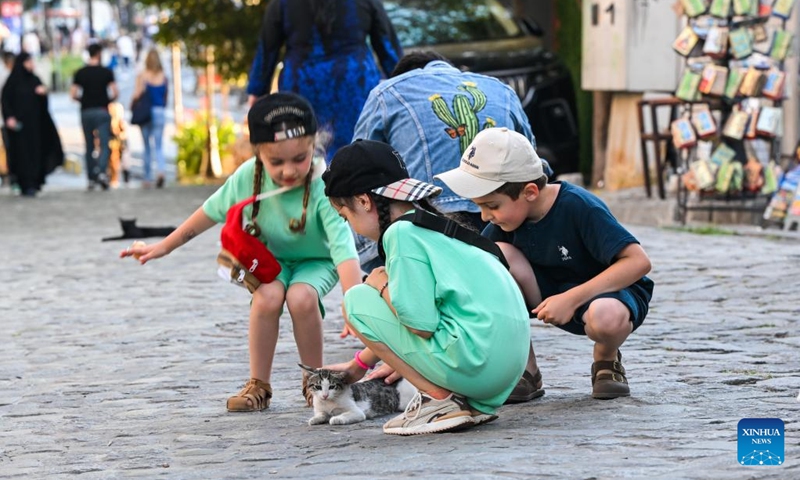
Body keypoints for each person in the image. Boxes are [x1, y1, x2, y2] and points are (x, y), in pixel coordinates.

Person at [121, 93, 362, 412]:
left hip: (316, 260)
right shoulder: (248, 177)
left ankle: (315, 383)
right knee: (268, 297)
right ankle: (258, 385)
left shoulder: (321, 182)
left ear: (314, 146)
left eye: (299, 158)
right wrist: (163, 246)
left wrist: (355, 304)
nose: (289, 170)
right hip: (269, 261)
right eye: (276, 162)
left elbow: (344, 250)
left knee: (301, 298)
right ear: (258, 153)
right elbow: (208, 213)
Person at [320, 140, 530, 435]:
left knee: (356, 299)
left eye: (346, 216)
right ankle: (463, 401)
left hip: (478, 365)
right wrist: (360, 364)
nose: (351, 226)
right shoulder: (431, 226)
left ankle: (440, 400)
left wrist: (378, 284)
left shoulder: (400, 234)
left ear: (364, 201)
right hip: (505, 371)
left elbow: (420, 324)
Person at [436, 128, 655, 399]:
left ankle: (606, 357)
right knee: (493, 258)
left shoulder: (580, 206)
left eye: (491, 205)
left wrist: (573, 298)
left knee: (605, 319)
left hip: (605, 293)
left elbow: (638, 262)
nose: (484, 216)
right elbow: (472, 274)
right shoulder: (506, 219)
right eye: (479, 206)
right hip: (544, 294)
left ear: (529, 192)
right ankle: (525, 370)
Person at [246, 0, 403, 159]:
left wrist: (257, 91)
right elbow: (387, 46)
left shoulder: (282, 4)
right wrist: (404, 80)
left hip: (302, 86)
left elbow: (267, 51)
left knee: (308, 153)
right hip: (354, 85)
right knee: (360, 148)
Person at [1, 52, 64, 197]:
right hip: (19, 128)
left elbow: (43, 103)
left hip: (36, 126)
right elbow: (6, 101)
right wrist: (9, 118)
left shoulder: (34, 80)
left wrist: (42, 94)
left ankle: (35, 181)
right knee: (22, 155)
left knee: (36, 152)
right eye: (28, 62)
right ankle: (25, 183)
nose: (31, 65)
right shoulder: (12, 82)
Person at [71, 43, 118, 190]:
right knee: (104, 144)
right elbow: (115, 92)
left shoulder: (80, 72)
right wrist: (107, 101)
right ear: (99, 54)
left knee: (89, 145)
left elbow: (73, 93)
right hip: (102, 110)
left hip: (86, 111)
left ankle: (91, 177)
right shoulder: (106, 72)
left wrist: (83, 101)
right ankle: (102, 172)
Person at [131, 48, 168, 188]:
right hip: (159, 111)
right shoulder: (163, 76)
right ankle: (161, 171)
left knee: (146, 146)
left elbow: (137, 94)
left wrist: (133, 103)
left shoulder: (142, 76)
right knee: (159, 145)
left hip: (145, 113)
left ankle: (147, 177)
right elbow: (165, 96)